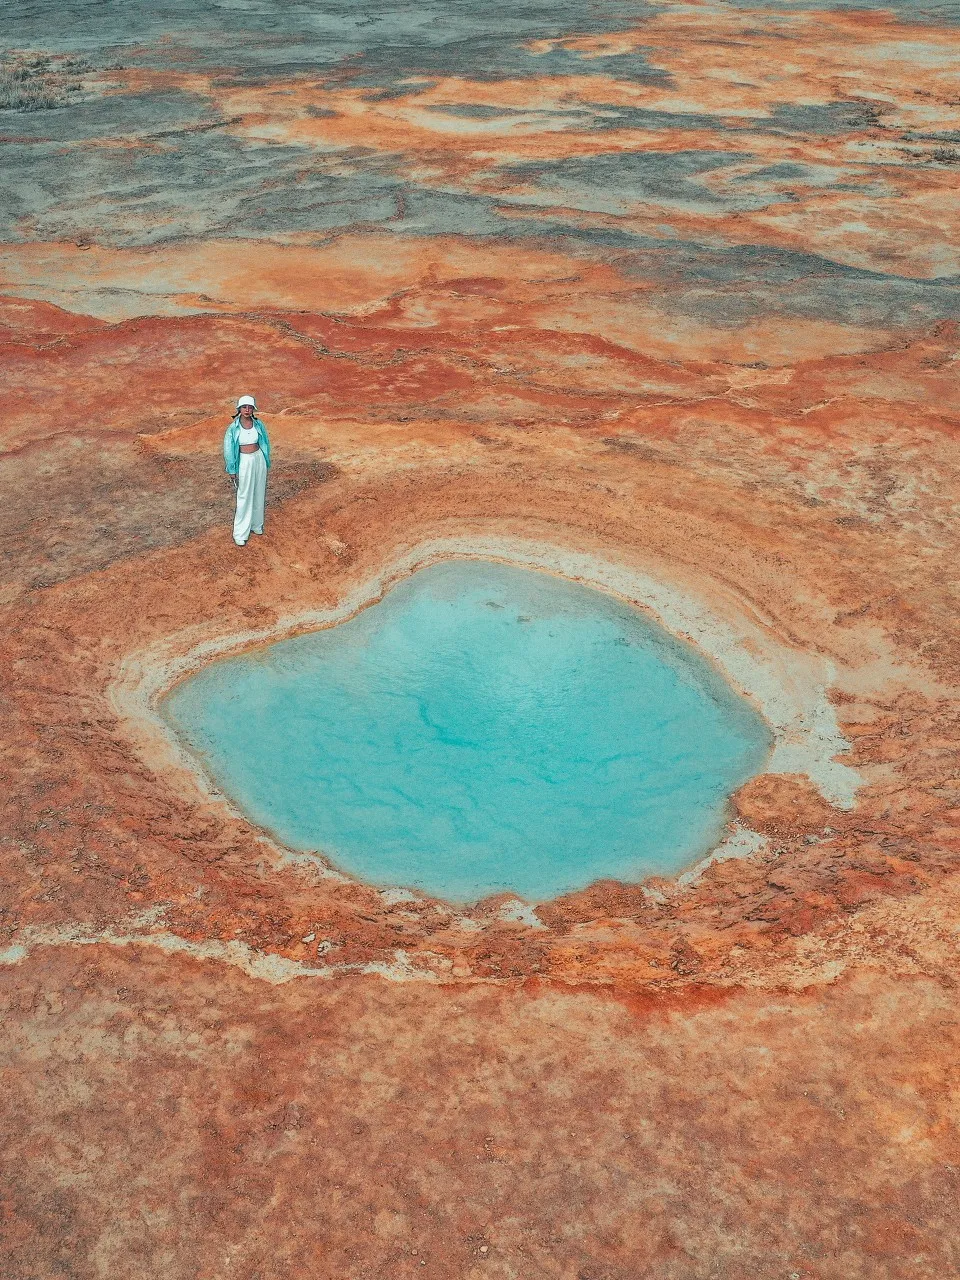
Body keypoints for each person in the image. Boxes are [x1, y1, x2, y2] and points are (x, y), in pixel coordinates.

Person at [223, 394, 271, 547]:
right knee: (244, 495)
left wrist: (265, 459)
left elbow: (266, 442)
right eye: (244, 407)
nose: (247, 410)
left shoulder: (258, 424)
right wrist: (232, 469)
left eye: (250, 407)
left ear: (253, 409)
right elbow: (229, 449)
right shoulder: (233, 428)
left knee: (259, 491)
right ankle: (240, 533)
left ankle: (256, 525)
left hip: (258, 459)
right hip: (244, 461)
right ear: (239, 409)